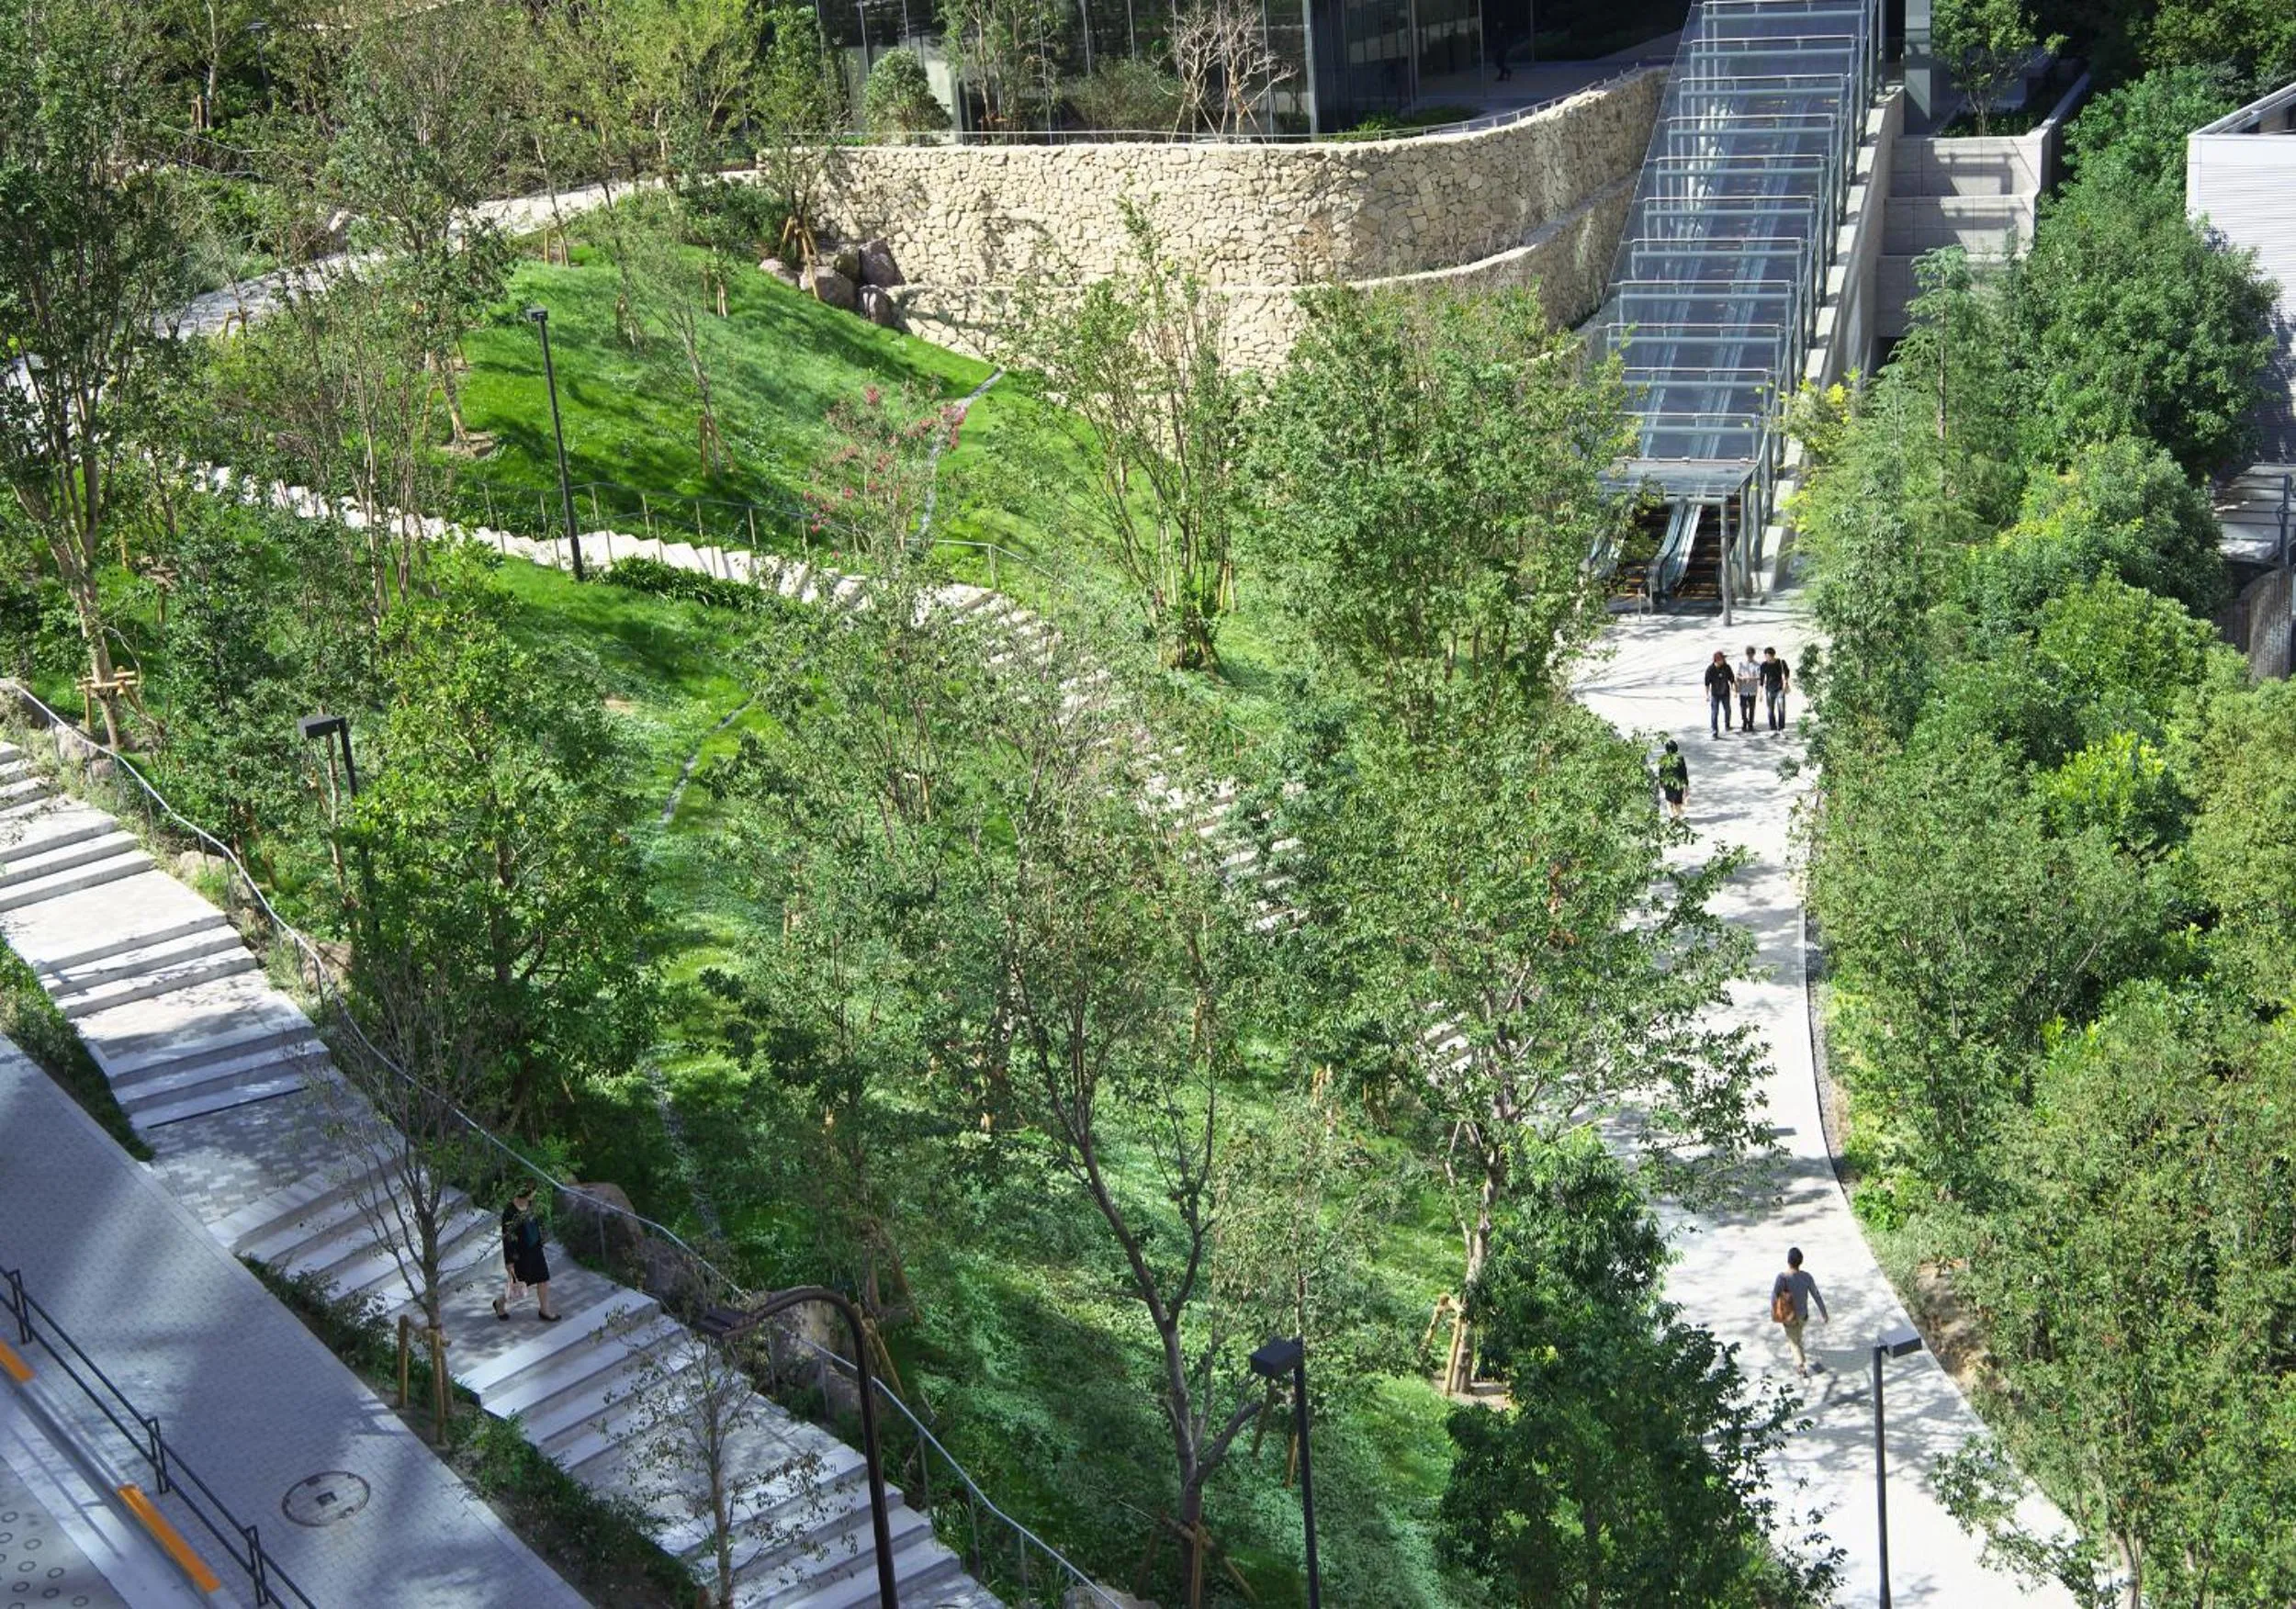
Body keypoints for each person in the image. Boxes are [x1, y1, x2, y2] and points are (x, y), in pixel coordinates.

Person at [495, 1185, 560, 1322]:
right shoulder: (510, 1212)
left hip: (535, 1249)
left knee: (543, 1278)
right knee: (518, 1285)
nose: (535, 1193)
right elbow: (507, 1238)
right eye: (533, 1191)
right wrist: (509, 1261)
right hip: (520, 1254)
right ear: (526, 1193)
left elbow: (536, 1223)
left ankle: (544, 1310)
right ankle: (499, 1303)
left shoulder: (531, 1205)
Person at [1770, 1247, 1829, 1377]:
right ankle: (1797, 1350)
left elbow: (1774, 1295)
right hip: (1803, 1316)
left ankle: (1801, 1366)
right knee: (1797, 1336)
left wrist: (1774, 1310)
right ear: (1800, 1261)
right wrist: (1824, 1312)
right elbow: (1816, 1295)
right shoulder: (1807, 1277)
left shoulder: (1782, 1278)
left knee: (1794, 1343)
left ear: (1788, 1261)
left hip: (1789, 1317)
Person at [1703, 651, 1735, 737]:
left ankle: (1727, 725)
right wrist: (1707, 695)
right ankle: (1714, 730)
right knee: (1715, 712)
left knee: (1727, 710)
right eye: (1722, 659)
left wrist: (1733, 688)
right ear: (1717, 660)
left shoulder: (1727, 667)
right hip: (1715, 694)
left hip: (1725, 693)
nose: (1724, 660)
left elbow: (1731, 679)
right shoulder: (1710, 669)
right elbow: (1707, 683)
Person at [1658, 739, 1690, 821]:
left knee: (1669, 800)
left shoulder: (1663, 758)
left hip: (1668, 782)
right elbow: (1683, 771)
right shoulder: (1680, 758)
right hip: (1678, 783)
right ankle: (1678, 817)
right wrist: (1686, 783)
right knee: (1678, 801)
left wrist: (1661, 782)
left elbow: (1661, 771)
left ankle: (1672, 816)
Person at [1760, 646, 1791, 731]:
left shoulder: (1781, 662)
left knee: (1781, 709)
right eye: (1765, 656)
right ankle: (1773, 728)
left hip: (1780, 689)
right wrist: (1760, 693)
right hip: (1769, 689)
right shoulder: (1764, 665)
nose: (1767, 658)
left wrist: (1785, 683)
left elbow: (1786, 673)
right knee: (1770, 710)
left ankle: (1781, 728)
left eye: (1768, 656)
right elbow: (1761, 679)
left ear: (1773, 655)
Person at [1735, 647, 1761, 735]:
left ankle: (1750, 723)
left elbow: (1759, 677)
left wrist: (1750, 678)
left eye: (1751, 654)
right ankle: (1744, 721)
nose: (1750, 656)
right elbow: (1737, 675)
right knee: (1743, 707)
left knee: (1752, 708)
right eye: (1748, 654)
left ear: (1754, 654)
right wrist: (1741, 678)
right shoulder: (1742, 664)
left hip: (1752, 690)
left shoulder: (1757, 665)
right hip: (1743, 689)